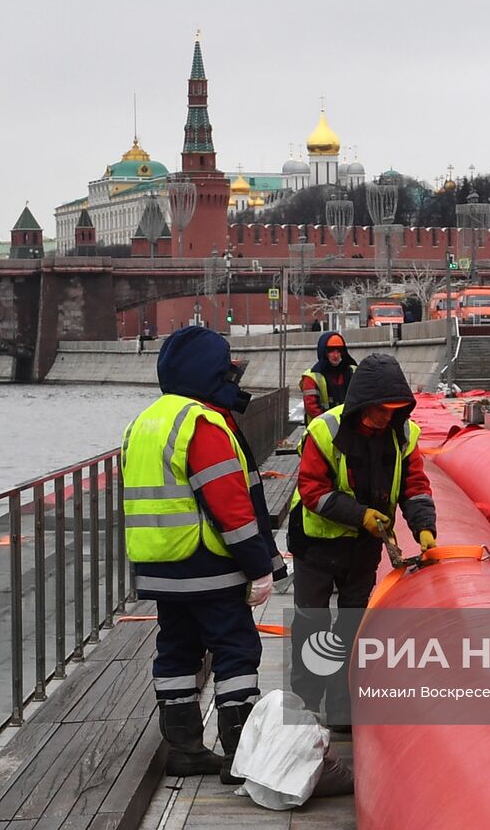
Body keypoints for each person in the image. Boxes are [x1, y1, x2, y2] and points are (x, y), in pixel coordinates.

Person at [122, 326, 286, 783]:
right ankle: (240, 755)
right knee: (236, 651)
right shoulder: (203, 423)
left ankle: (186, 750)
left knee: (176, 653)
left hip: (160, 568)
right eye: (226, 366)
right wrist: (259, 567)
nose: (233, 375)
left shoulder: (145, 422)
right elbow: (231, 507)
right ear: (208, 372)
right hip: (209, 566)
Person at [289, 353, 438, 726]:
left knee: (352, 625)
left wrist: (425, 527)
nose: (388, 417)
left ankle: (341, 706)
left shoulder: (403, 434)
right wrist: (360, 515)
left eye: (395, 410)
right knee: (312, 621)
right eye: (382, 410)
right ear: (363, 405)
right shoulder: (325, 431)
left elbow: (414, 486)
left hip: (363, 548)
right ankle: (305, 703)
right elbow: (313, 490)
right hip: (316, 544)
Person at [300, 331, 357, 422]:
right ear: (324, 352)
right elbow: (312, 408)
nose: (336, 355)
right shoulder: (312, 377)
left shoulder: (352, 372)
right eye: (331, 351)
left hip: (347, 426)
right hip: (322, 430)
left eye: (339, 351)